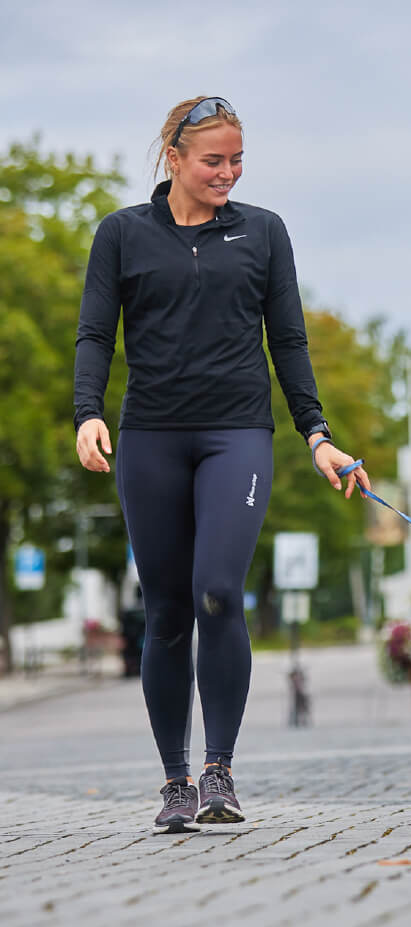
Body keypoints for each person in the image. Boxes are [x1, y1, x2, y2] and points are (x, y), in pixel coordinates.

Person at [74, 96, 371, 833]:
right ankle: (174, 780)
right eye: (214, 160)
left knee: (216, 594)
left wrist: (317, 433)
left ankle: (219, 770)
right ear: (173, 157)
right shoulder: (122, 234)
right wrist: (87, 412)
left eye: (238, 160)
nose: (228, 173)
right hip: (149, 438)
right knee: (167, 609)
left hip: (237, 433)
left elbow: (290, 340)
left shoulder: (264, 233)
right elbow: (94, 335)